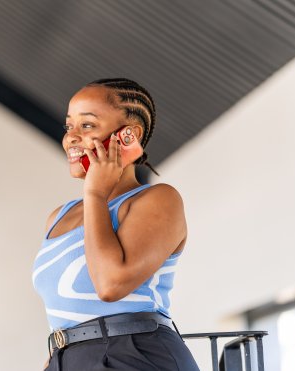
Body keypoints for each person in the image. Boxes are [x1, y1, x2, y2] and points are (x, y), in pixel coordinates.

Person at [32, 78, 200, 370]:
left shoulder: (159, 199)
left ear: (128, 135)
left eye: (87, 125)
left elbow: (110, 285)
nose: (71, 137)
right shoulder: (59, 216)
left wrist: (96, 193)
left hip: (135, 354)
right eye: (68, 126)